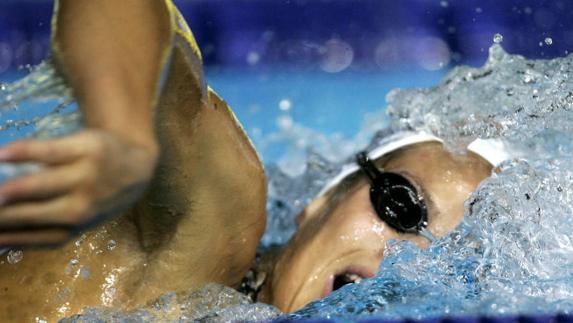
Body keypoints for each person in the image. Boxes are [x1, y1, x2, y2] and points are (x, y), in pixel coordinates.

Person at [0, 0, 494, 321]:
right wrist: (123, 122)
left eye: (455, 264)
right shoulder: (210, 230)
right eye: (403, 206)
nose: (406, 258)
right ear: (324, 197)